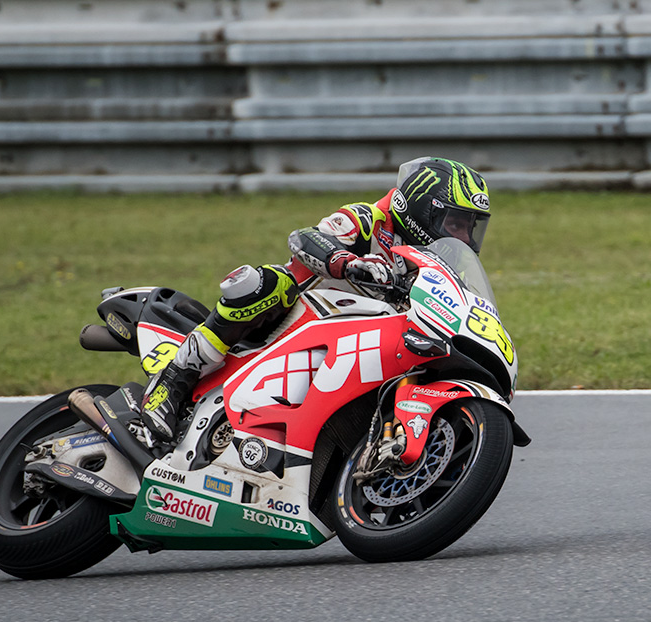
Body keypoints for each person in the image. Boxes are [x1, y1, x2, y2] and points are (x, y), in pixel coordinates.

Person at [139, 156, 493, 441]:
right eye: (456, 223)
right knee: (266, 283)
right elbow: (305, 237)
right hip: (294, 324)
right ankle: (173, 381)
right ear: (420, 210)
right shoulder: (369, 219)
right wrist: (347, 262)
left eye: (471, 227)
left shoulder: (439, 263)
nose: (465, 237)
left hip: (358, 348)